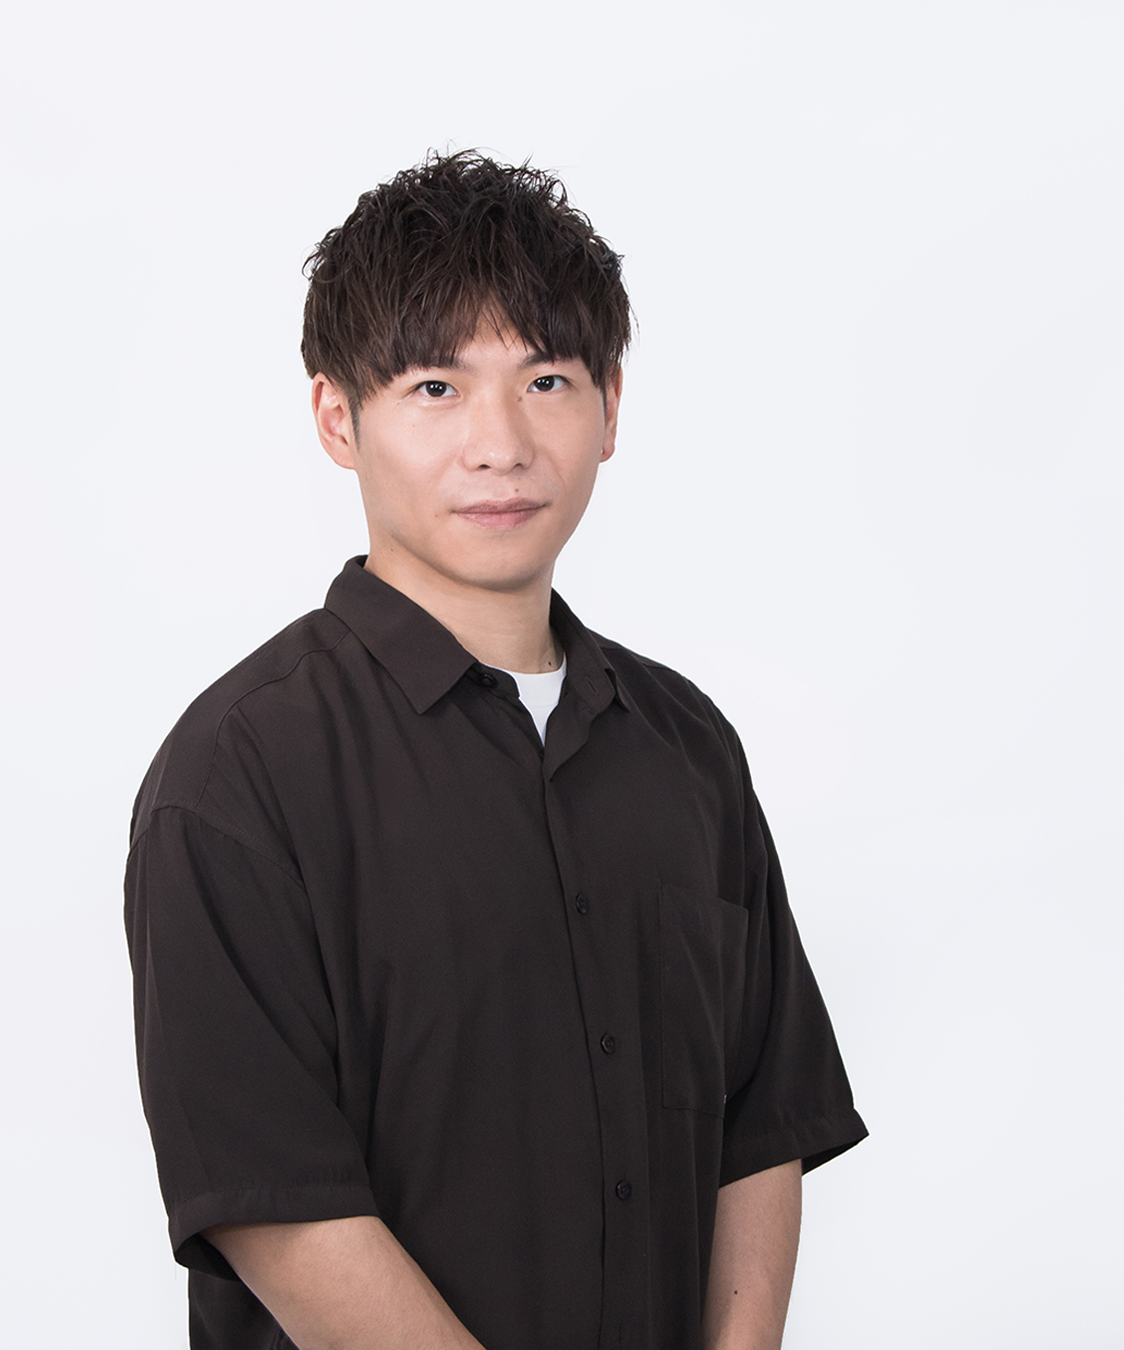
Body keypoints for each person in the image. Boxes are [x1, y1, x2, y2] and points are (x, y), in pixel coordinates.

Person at [124, 150, 866, 1350]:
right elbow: (277, 1206)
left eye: (547, 380)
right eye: (435, 387)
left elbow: (761, 1127)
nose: (501, 444)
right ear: (336, 418)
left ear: (610, 406)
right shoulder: (239, 774)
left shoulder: (685, 750)